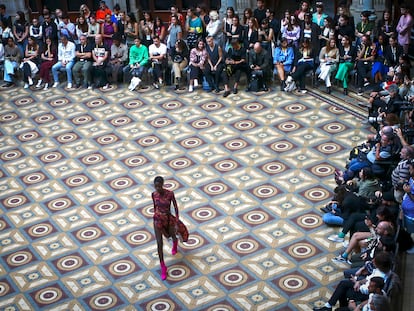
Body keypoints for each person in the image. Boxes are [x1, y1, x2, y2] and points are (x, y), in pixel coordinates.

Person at [313, 251, 393, 311]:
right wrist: (358, 282)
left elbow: (367, 290)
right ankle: (330, 306)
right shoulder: (381, 270)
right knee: (344, 284)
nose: (372, 262)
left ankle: (330, 306)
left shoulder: (380, 277)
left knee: (344, 288)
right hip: (365, 286)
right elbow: (369, 278)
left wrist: (358, 285)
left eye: (375, 262)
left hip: (365, 292)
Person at [152, 176, 180, 281]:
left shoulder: (170, 194)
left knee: (172, 235)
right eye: (156, 187)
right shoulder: (154, 194)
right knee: (159, 243)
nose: (157, 189)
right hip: (157, 220)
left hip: (168, 219)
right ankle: (163, 266)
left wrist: (176, 221)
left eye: (159, 186)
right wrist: (156, 216)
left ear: (162, 185)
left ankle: (175, 243)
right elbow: (155, 207)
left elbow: (176, 208)